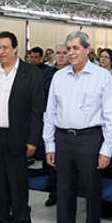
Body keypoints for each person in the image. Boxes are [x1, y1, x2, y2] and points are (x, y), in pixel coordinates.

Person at [44, 31, 112, 223]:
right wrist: (49, 144)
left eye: (76, 48)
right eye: (68, 49)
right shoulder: (59, 77)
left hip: (90, 139)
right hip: (63, 139)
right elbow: (50, 112)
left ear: (88, 49)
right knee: (64, 188)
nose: (71, 53)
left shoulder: (101, 76)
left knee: (91, 190)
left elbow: (111, 115)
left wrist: (107, 148)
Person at [0, 31, 44, 223]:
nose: (1, 52)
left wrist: (33, 140)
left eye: (6, 47)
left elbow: (37, 111)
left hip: (18, 135)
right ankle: (1, 220)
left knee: (17, 182)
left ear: (16, 48)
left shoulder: (31, 73)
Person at [41, 43, 70, 207]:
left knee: (66, 163)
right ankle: (53, 191)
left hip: (67, 123)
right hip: (50, 120)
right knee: (50, 159)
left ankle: (66, 192)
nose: (61, 55)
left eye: (64, 53)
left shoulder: (74, 73)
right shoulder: (47, 73)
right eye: (58, 52)